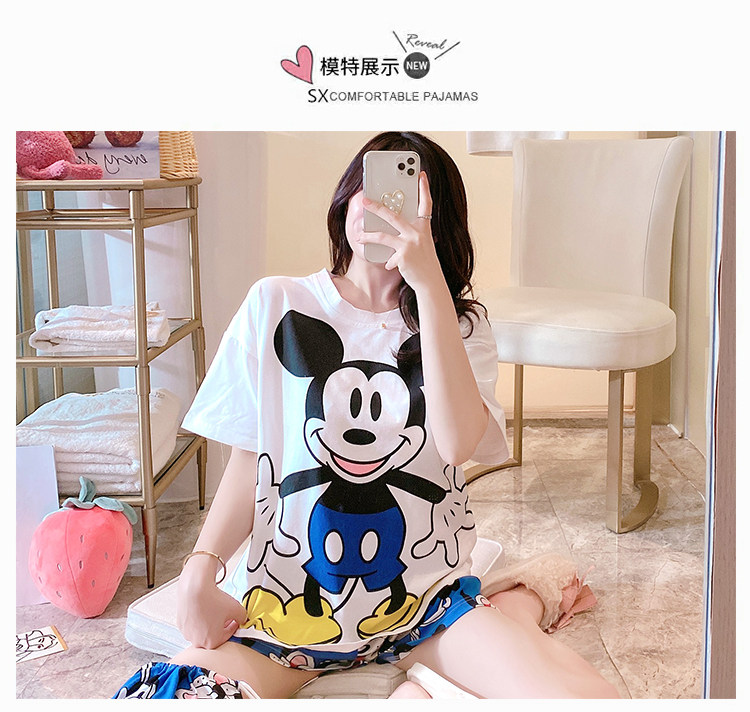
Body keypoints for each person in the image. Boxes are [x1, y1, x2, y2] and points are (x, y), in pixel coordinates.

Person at [113, 132, 619, 699]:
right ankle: (489, 627)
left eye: (407, 199)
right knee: (171, 695)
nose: (383, 209)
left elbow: (458, 445)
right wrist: (200, 569)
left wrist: (428, 285)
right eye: (371, 188)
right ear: (347, 197)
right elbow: (250, 458)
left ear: (438, 225)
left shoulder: (460, 325)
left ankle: (505, 613)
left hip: (428, 609)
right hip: (285, 612)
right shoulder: (278, 304)